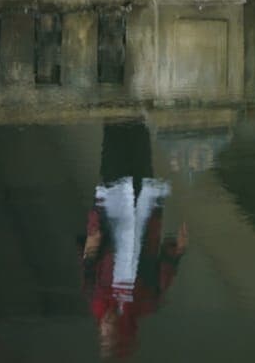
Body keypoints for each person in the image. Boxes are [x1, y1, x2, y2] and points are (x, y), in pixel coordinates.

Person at [82, 121, 187, 359]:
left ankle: (113, 105)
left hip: (112, 207)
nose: (104, 328)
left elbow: (89, 256)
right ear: (123, 334)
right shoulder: (147, 301)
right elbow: (165, 267)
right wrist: (177, 248)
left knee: (113, 149)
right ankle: (136, 103)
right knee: (139, 147)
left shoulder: (96, 298)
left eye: (103, 336)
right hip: (143, 211)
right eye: (109, 336)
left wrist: (94, 225)